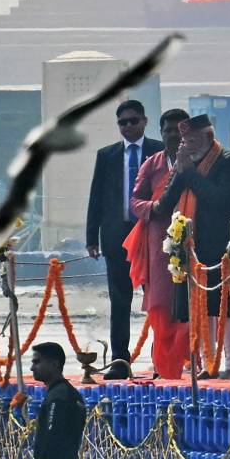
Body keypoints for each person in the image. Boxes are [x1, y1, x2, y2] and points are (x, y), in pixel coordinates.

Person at [153, 114, 230, 377]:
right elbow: (164, 204)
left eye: (192, 140)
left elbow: (221, 200)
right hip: (191, 249)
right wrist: (180, 172)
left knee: (224, 306)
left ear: (208, 137)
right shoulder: (187, 166)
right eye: (184, 141)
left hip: (221, 247)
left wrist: (190, 173)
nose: (187, 146)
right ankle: (208, 364)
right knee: (199, 308)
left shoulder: (228, 162)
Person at [86, 100, 164, 379]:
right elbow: (96, 197)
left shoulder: (160, 151)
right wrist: (91, 236)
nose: (128, 126)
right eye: (123, 122)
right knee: (120, 301)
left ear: (144, 121)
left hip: (151, 237)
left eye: (133, 121)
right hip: (116, 238)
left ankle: (162, 360)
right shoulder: (107, 155)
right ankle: (120, 359)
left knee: (156, 299)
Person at [125, 108, 192, 379]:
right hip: (158, 243)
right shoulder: (152, 164)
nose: (173, 135)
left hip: (191, 240)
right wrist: (155, 208)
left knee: (193, 306)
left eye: (179, 130)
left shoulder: (198, 162)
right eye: (168, 130)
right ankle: (166, 369)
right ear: (161, 133)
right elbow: (135, 201)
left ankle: (192, 366)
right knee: (161, 306)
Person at [29, 342, 87, 459]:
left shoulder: (58, 397)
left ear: (54, 364)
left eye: (37, 362)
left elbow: (52, 439)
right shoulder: (67, 393)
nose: (32, 368)